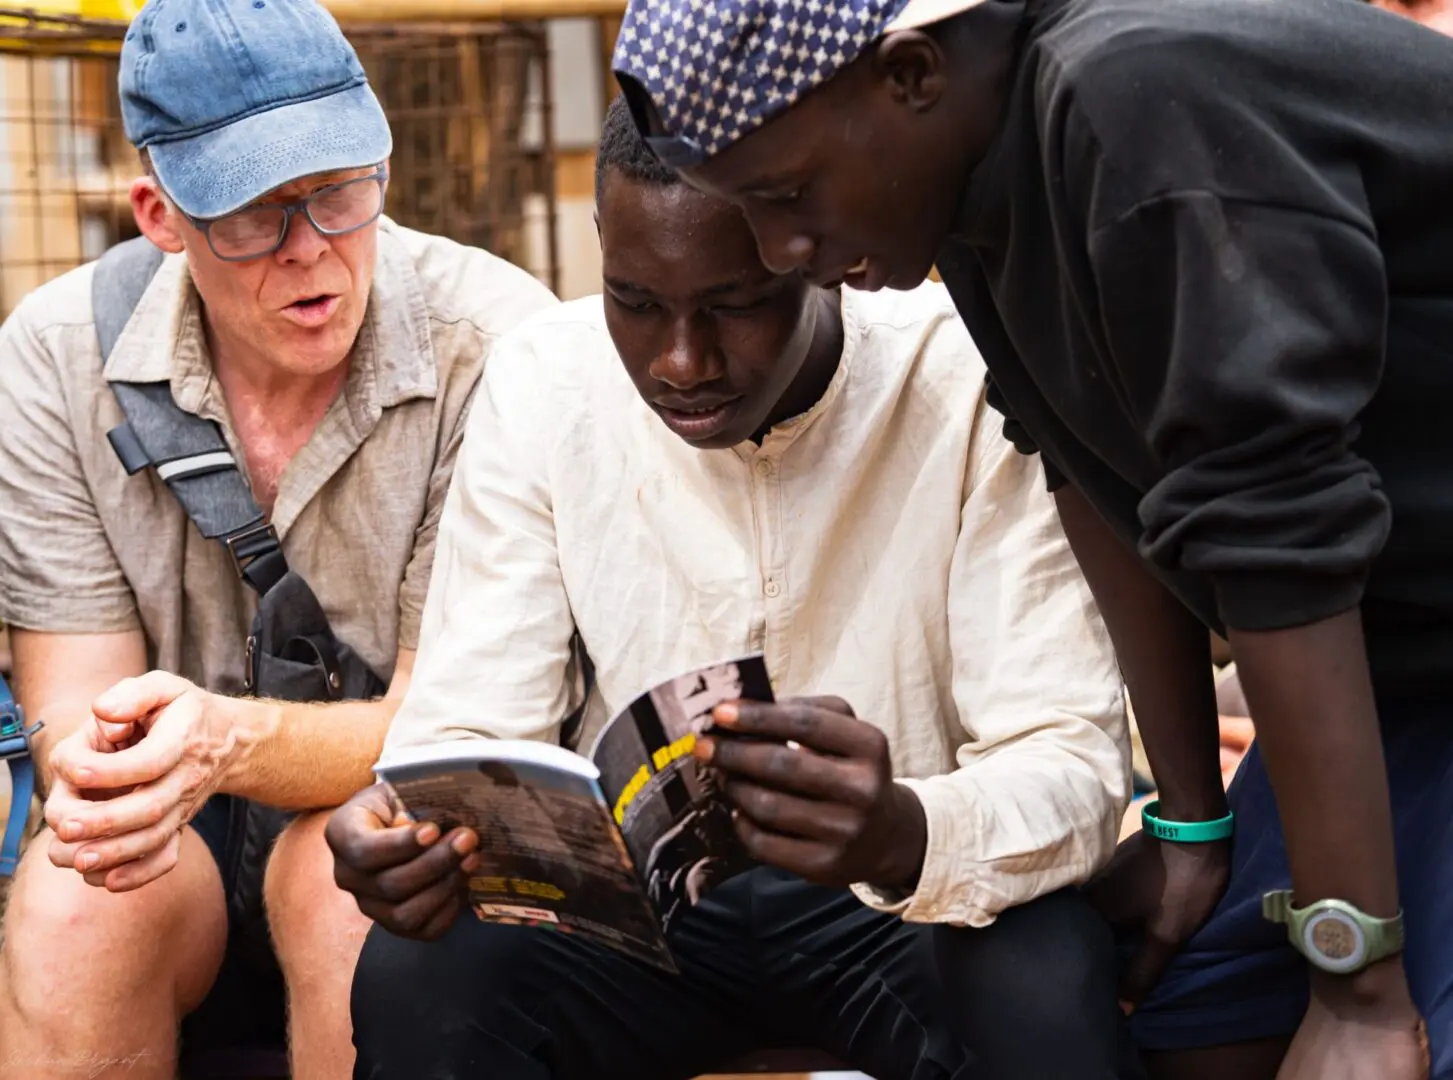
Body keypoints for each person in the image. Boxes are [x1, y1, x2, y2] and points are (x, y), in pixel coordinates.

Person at [608, 0, 1453, 1077]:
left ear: (910, 75)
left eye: (785, 196)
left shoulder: (1134, 103)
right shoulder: (962, 179)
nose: (787, 253)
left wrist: (1359, 985)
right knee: (1194, 1014)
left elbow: (1274, 530)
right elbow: (1092, 471)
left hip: (1380, 628)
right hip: (1392, 654)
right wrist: (1191, 828)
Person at [328, 94, 1140, 1080]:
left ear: (820, 253)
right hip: (645, 917)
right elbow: (470, 725)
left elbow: (1067, 766)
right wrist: (408, 837)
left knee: (1040, 981)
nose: (680, 361)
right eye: (634, 300)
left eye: (736, 303)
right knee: (420, 975)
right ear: (598, 250)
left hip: (905, 896)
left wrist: (900, 834)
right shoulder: (545, 380)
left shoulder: (965, 376)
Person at [0, 0, 556, 1076]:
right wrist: (123, 767)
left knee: (361, 898)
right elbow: (71, 702)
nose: (312, 256)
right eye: (253, 216)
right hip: (169, 825)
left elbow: (442, 733)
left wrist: (222, 743)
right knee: (76, 902)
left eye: (339, 193)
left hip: (404, 811)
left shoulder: (498, 346)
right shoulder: (54, 355)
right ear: (158, 215)